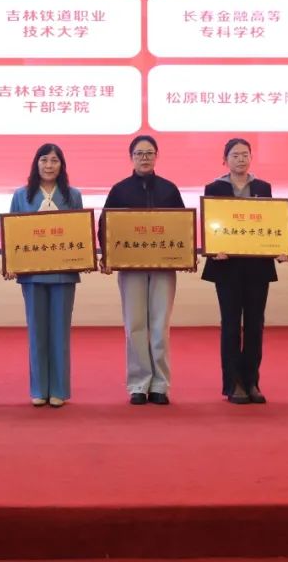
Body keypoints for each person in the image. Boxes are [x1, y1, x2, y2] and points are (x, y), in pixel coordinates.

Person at [99, 134, 187, 406]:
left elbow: (182, 226)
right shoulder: (120, 190)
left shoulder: (170, 190)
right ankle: (138, 383)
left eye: (149, 153)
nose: (144, 158)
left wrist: (184, 256)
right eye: (139, 153)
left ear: (156, 156)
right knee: (135, 324)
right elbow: (105, 225)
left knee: (160, 326)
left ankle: (160, 384)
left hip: (163, 267)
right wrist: (108, 256)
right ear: (131, 158)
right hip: (131, 267)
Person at [201, 138, 288, 404]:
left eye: (245, 154)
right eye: (235, 155)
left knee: (254, 325)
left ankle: (252, 382)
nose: (240, 159)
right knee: (230, 325)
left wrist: (280, 247)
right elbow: (210, 224)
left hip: (257, 267)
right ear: (225, 160)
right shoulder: (215, 188)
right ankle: (233, 384)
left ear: (251, 157)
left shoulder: (263, 187)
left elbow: (272, 223)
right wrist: (213, 247)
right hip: (226, 267)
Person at [6, 143, 84, 408]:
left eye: (54, 160)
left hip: (63, 274)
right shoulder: (21, 195)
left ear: (62, 165)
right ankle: (39, 388)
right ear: (36, 164)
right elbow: (12, 233)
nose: (49, 165)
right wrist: (11, 262)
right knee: (36, 332)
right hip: (32, 275)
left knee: (60, 332)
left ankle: (59, 389)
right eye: (44, 160)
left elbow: (79, 233)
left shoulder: (73, 195)